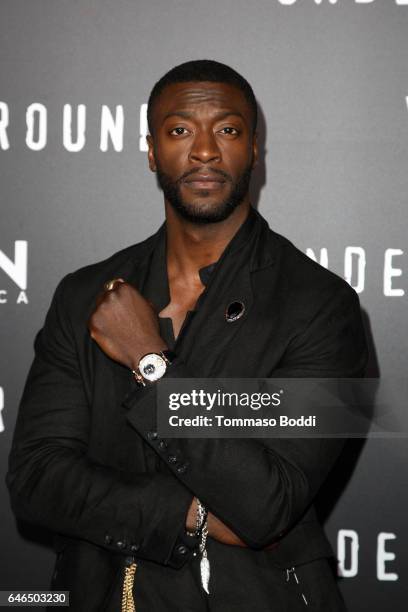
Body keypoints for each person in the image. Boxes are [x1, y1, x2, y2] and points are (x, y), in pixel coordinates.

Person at [6, 59, 368, 611]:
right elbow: (35, 480)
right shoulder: (84, 297)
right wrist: (193, 512)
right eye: (180, 131)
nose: (204, 150)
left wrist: (151, 363)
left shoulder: (323, 306)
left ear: (254, 150)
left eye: (227, 130)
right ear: (152, 151)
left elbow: (265, 507)